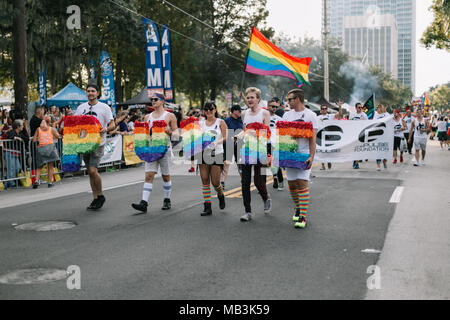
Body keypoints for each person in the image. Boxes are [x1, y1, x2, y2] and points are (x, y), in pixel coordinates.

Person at [131, 93, 178, 213]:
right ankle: (144, 203)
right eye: (151, 100)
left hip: (164, 149)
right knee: (148, 175)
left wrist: (170, 132)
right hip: (151, 149)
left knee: (165, 176)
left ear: (162, 101)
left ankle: (167, 199)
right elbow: (145, 133)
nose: (153, 101)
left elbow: (177, 134)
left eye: (155, 99)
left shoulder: (170, 116)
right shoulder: (148, 117)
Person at [75, 84, 115, 210]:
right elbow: (75, 125)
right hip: (85, 143)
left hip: (98, 143)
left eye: (93, 91)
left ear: (97, 93)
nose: (90, 93)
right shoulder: (81, 108)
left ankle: (101, 195)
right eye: (88, 91)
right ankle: (95, 198)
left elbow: (112, 124)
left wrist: (106, 129)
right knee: (90, 173)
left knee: (93, 170)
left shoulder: (104, 107)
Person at [282, 89, 318, 229]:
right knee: (292, 186)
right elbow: (283, 136)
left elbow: (312, 139)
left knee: (302, 184)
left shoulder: (311, 115)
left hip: (303, 154)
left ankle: (302, 216)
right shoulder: (286, 115)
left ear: (297, 99)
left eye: (290, 99)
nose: (288, 102)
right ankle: (298, 207)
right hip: (289, 154)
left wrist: (311, 156)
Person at [239, 87, 272, 222]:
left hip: (261, 151)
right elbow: (244, 131)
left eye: (252, 97)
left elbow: (267, 134)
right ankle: (248, 211)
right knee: (245, 182)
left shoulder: (265, 114)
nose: (250, 99)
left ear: (258, 99)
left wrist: (268, 153)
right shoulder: (244, 114)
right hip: (247, 150)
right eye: (248, 97)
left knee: (259, 181)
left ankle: (266, 198)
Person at [197, 102, 227, 216]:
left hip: (217, 153)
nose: (208, 111)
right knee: (205, 179)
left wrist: (216, 142)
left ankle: (220, 194)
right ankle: (207, 206)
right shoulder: (200, 123)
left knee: (215, 182)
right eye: (206, 109)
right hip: (203, 154)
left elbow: (225, 137)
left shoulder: (221, 122)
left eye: (211, 109)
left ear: (215, 110)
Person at [32, 115, 60, 188]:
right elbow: (58, 136)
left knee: (39, 166)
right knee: (50, 167)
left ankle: (36, 180)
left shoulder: (38, 129)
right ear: (50, 122)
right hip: (50, 148)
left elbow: (34, 140)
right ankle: (50, 182)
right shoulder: (52, 129)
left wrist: (40, 138)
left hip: (41, 148)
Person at [221, 104, 243, 190]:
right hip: (228, 144)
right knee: (226, 163)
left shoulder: (241, 120)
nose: (240, 112)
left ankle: (243, 180)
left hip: (239, 144)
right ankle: (222, 182)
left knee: (240, 164)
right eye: (239, 111)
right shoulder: (226, 121)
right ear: (234, 111)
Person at [4, 120, 28, 188]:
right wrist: (16, 138)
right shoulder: (12, 132)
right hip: (9, 152)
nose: (23, 126)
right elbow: (9, 136)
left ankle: (10, 180)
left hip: (15, 153)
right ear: (18, 126)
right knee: (11, 168)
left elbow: (26, 139)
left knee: (18, 167)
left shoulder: (19, 133)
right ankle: (11, 182)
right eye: (22, 125)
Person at [267, 99, 284, 189]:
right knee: (266, 162)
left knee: (275, 162)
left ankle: (279, 180)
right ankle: (273, 178)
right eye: (272, 106)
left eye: (276, 107)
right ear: (268, 106)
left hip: (275, 143)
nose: (274, 108)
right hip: (265, 142)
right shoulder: (262, 116)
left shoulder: (279, 119)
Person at [350, 102, 368, 169]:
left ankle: (356, 163)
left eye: (361, 107)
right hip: (353, 134)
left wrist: (363, 121)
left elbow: (367, 124)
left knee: (357, 149)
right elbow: (349, 122)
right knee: (354, 149)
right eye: (359, 107)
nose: (360, 108)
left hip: (361, 134)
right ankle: (355, 161)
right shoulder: (352, 114)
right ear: (356, 108)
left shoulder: (364, 115)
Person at [374, 105, 390, 170]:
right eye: (377, 108)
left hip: (386, 135)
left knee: (386, 150)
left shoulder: (386, 114)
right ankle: (378, 165)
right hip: (378, 135)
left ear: (382, 108)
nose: (378, 109)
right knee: (378, 150)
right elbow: (373, 123)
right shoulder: (376, 115)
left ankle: (384, 161)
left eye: (379, 107)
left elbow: (389, 122)